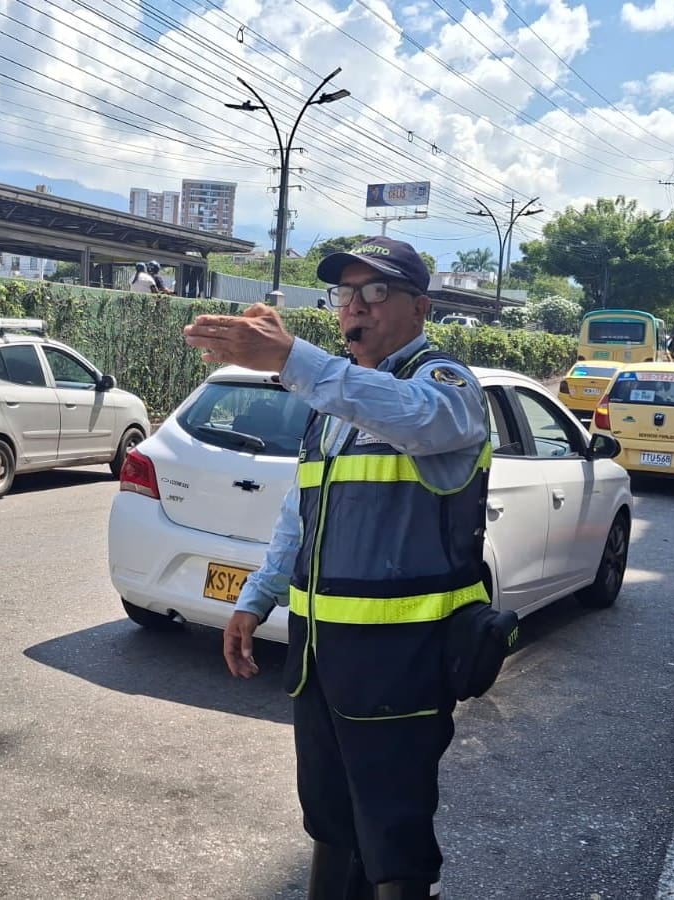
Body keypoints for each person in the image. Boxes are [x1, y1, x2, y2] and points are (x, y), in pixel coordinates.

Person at [184, 236, 514, 900]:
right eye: (344, 293)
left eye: (375, 292)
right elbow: (300, 513)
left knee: (393, 829)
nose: (354, 306)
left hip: (402, 660)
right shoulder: (334, 401)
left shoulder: (444, 386)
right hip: (320, 657)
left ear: (420, 307)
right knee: (329, 816)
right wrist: (257, 596)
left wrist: (290, 360)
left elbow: (415, 418)